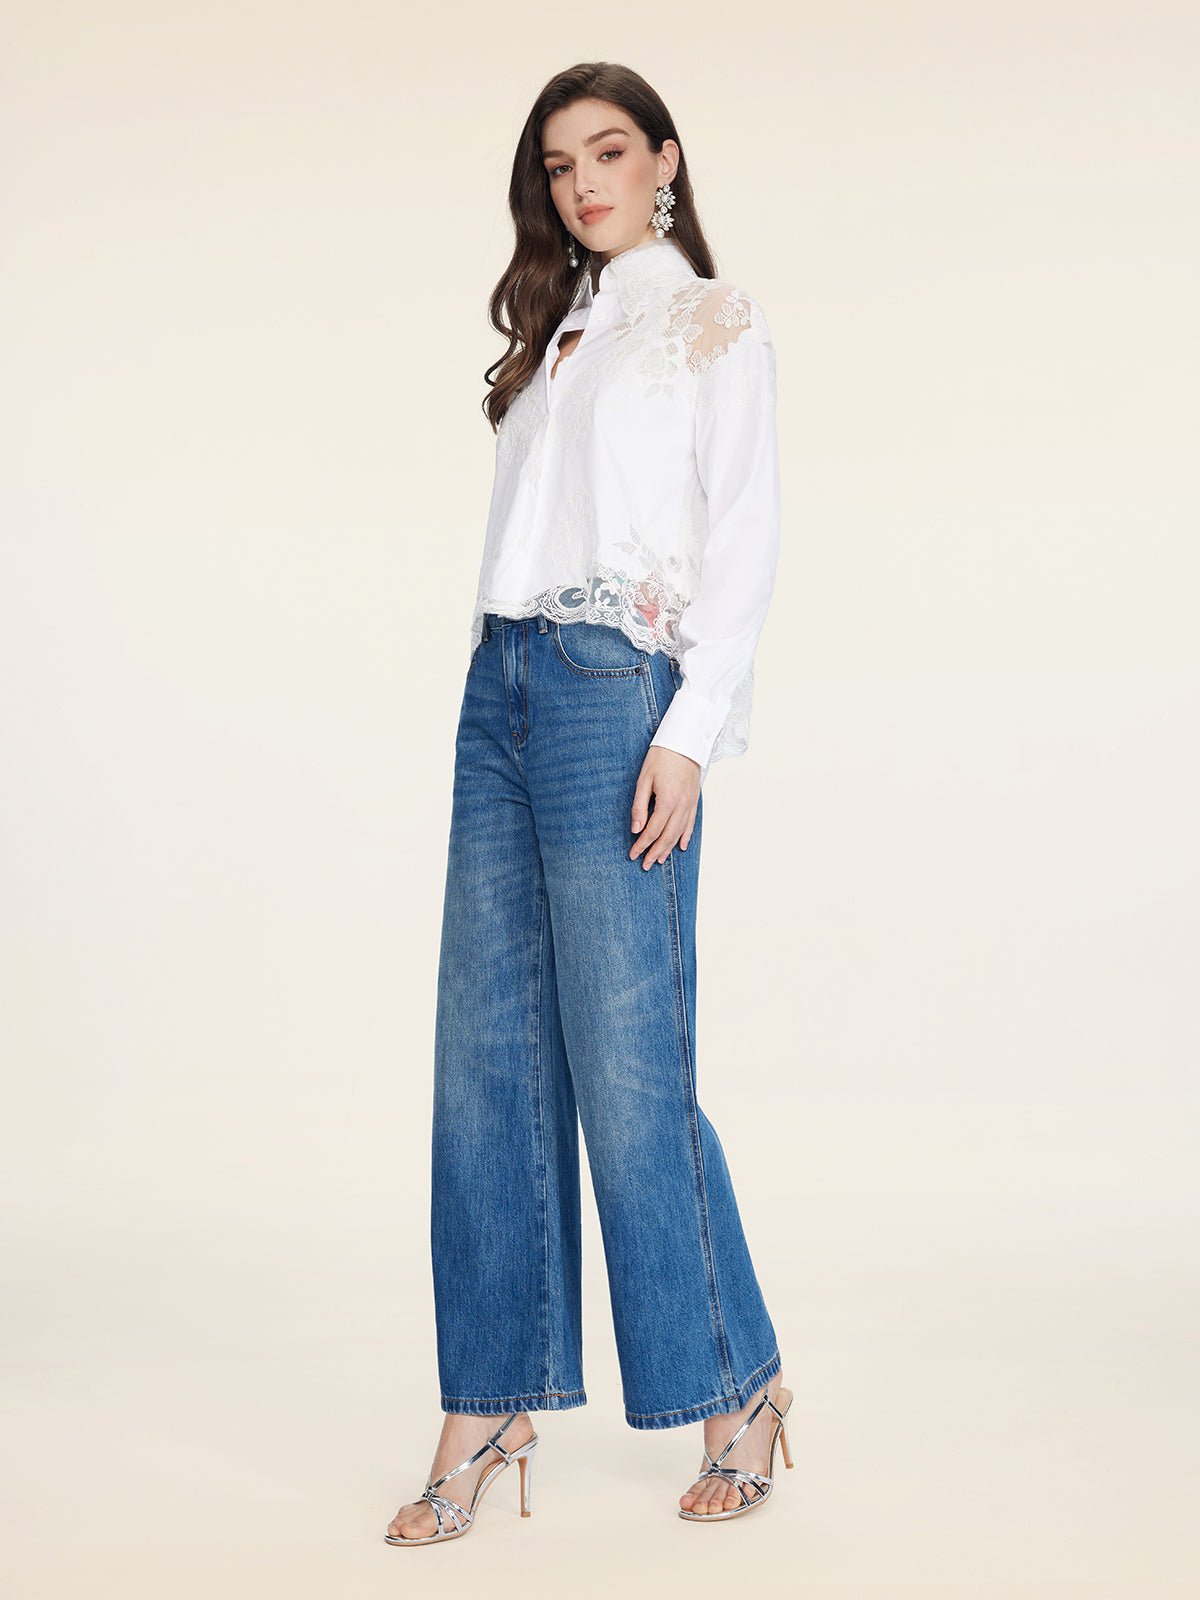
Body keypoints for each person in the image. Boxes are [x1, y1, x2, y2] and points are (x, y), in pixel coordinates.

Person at [386, 61, 793, 1545]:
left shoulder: (710, 320)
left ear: (664, 161)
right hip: (498, 689)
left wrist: (688, 731)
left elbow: (744, 534)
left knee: (629, 1068)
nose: (583, 184)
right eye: (559, 166)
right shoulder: (556, 332)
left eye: (608, 153)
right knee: (485, 1061)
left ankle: (738, 1388)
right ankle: (489, 1399)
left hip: (617, 695)